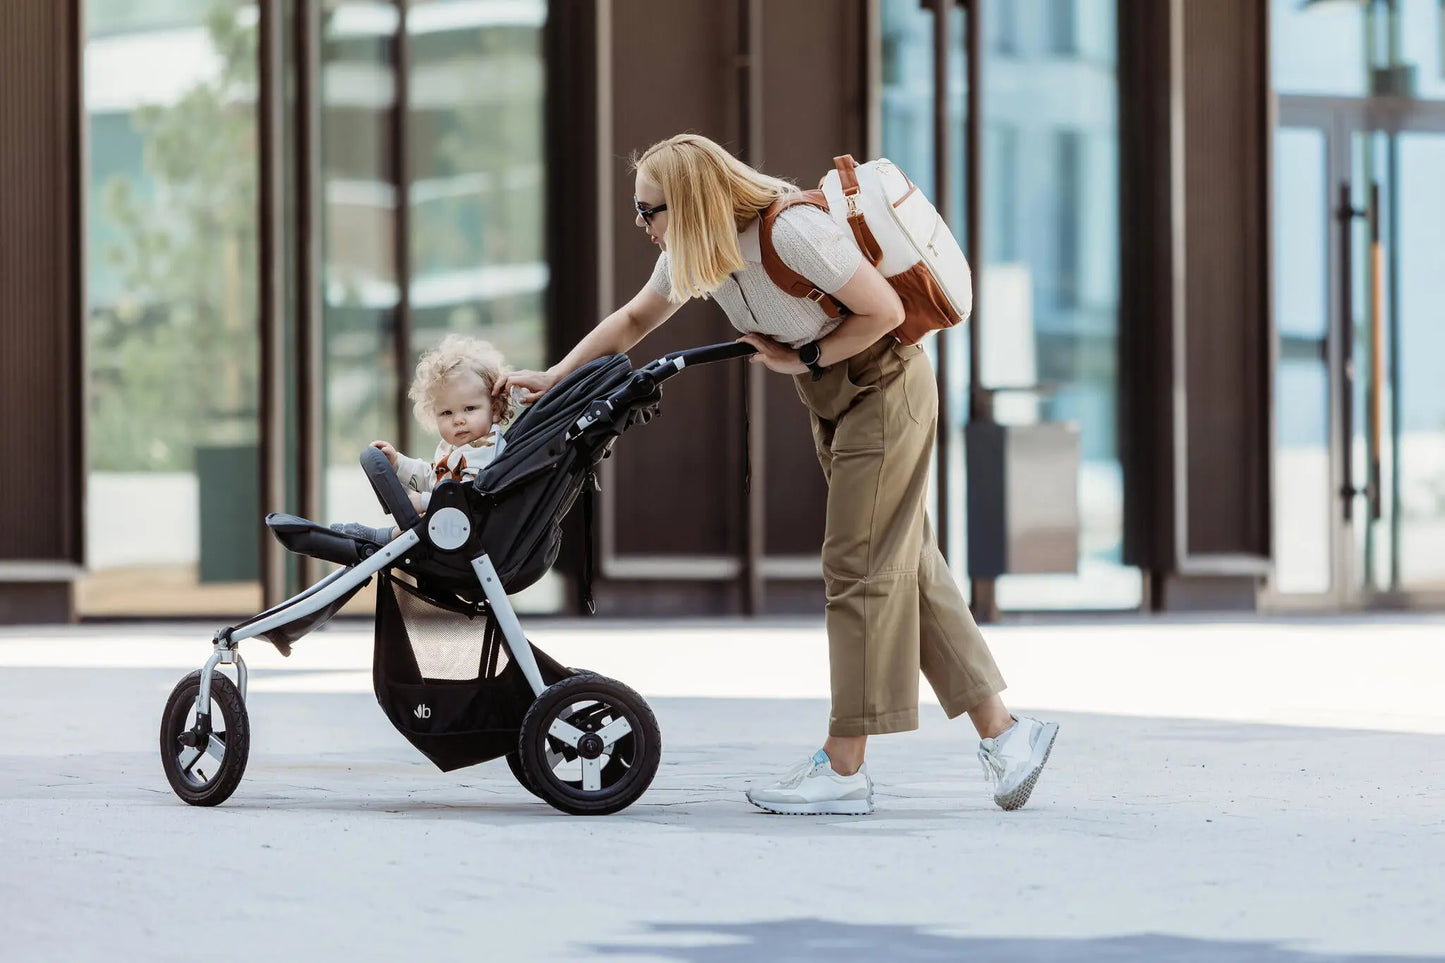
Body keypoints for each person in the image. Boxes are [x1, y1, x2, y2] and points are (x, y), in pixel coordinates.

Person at [496, 133, 1058, 814]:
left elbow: (881, 312)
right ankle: (1006, 734)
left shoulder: (792, 231)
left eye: (649, 211)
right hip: (831, 395)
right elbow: (635, 318)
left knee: (856, 566)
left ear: (693, 201)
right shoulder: (695, 251)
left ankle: (844, 767)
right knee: (905, 563)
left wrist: (805, 357)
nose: (642, 225)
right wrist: (554, 377)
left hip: (884, 387)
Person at [336, 334, 514, 544]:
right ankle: (381, 540)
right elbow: (433, 478)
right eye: (447, 413)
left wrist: (423, 501)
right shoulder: (457, 448)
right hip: (452, 529)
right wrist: (398, 463)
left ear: (494, 409)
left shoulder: (486, 449)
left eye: (469, 409)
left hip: (468, 535)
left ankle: (381, 540)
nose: (458, 420)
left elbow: (470, 498)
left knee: (414, 531)